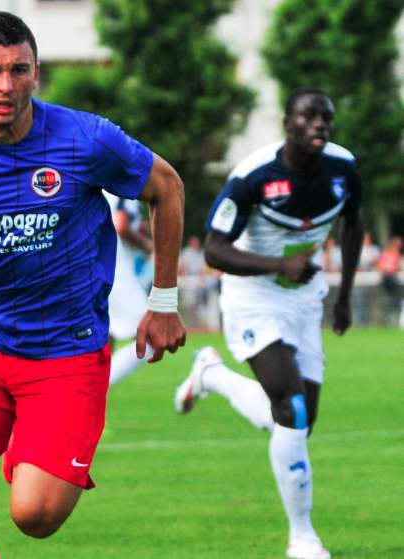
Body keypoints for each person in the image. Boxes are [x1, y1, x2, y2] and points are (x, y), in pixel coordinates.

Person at [0, 12, 186, 558]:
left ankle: (31, 438)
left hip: (65, 351)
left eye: (19, 70)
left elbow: (167, 186)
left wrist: (163, 301)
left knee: (35, 514)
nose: (5, 85)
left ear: (36, 73)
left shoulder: (85, 138)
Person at [173, 88, 364, 559]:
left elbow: (353, 224)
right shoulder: (252, 177)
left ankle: (211, 375)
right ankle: (302, 537)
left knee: (297, 424)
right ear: (288, 123)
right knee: (292, 410)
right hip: (253, 297)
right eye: (309, 116)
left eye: (327, 117)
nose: (320, 124)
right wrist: (278, 267)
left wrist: (342, 298)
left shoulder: (344, 168)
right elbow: (215, 249)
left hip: (304, 300)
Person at [103, 193, 154, 386]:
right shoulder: (123, 188)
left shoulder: (97, 186)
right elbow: (122, 225)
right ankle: (97, 391)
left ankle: (91, 408)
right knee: (150, 337)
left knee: (104, 342)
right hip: (117, 272)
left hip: (94, 269)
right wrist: (147, 245)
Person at [377, 236, 402, 323]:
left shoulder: (397, 255)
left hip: (393, 280)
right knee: (387, 299)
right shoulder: (385, 254)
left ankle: (393, 316)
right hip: (386, 280)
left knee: (394, 299)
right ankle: (386, 317)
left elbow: (396, 267)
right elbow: (380, 267)